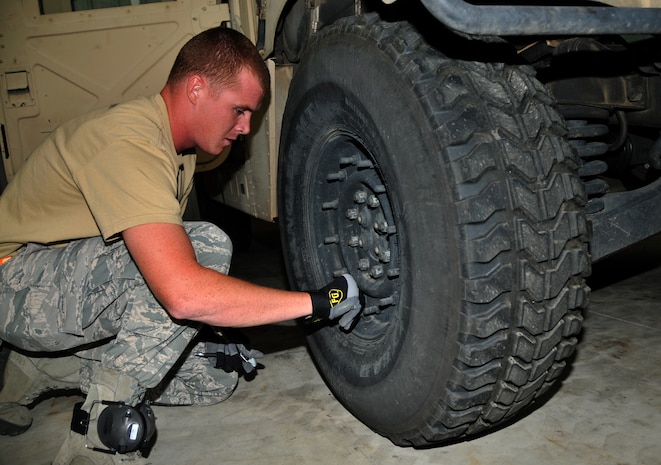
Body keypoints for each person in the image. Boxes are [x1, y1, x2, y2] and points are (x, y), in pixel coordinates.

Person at [0, 26, 363, 464]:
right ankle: (98, 435)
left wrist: (213, 326)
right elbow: (182, 290)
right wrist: (319, 302)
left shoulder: (182, 152)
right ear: (196, 89)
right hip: (13, 283)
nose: (246, 128)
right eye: (240, 110)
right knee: (205, 247)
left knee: (215, 374)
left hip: (62, 291)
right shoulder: (129, 140)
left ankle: (30, 369)